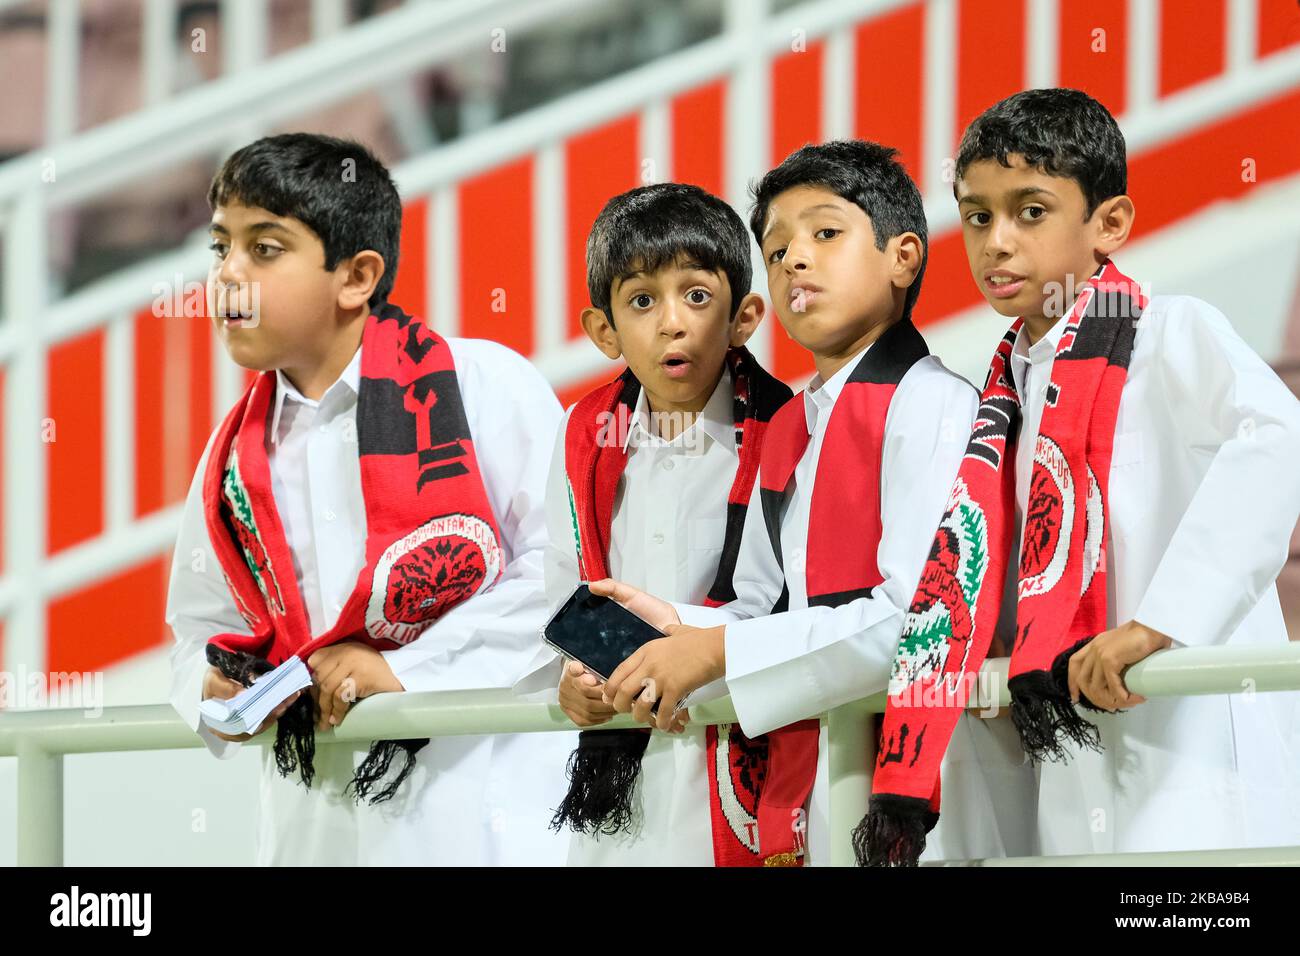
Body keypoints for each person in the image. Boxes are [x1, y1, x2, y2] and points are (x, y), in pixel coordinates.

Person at [866, 88, 1300, 865]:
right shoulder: (1001, 396)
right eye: (975, 215)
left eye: (1030, 211)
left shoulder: (1169, 331)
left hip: (1190, 745)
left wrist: (1159, 622)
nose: (996, 241)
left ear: (1110, 224)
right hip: (1070, 753)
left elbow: (1277, 437)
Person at [166, 132, 573, 865]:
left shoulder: (482, 386)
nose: (227, 276)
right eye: (219, 247)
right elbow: (199, 624)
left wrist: (407, 671)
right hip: (313, 816)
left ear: (356, 276)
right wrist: (212, 682)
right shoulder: (229, 458)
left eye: (264, 249)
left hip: (484, 804)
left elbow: (563, 575)